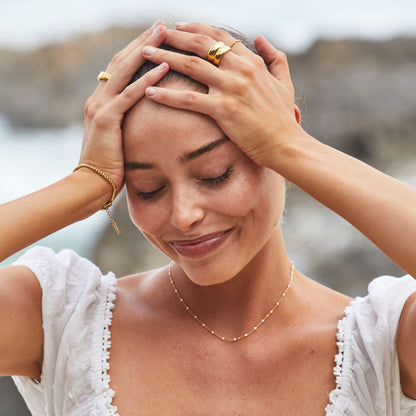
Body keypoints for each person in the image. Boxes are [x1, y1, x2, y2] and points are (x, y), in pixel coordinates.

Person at [0, 20, 415, 416]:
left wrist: (294, 149)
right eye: (148, 188)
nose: (183, 215)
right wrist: (84, 185)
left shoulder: (381, 347)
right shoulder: (63, 322)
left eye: (215, 174)